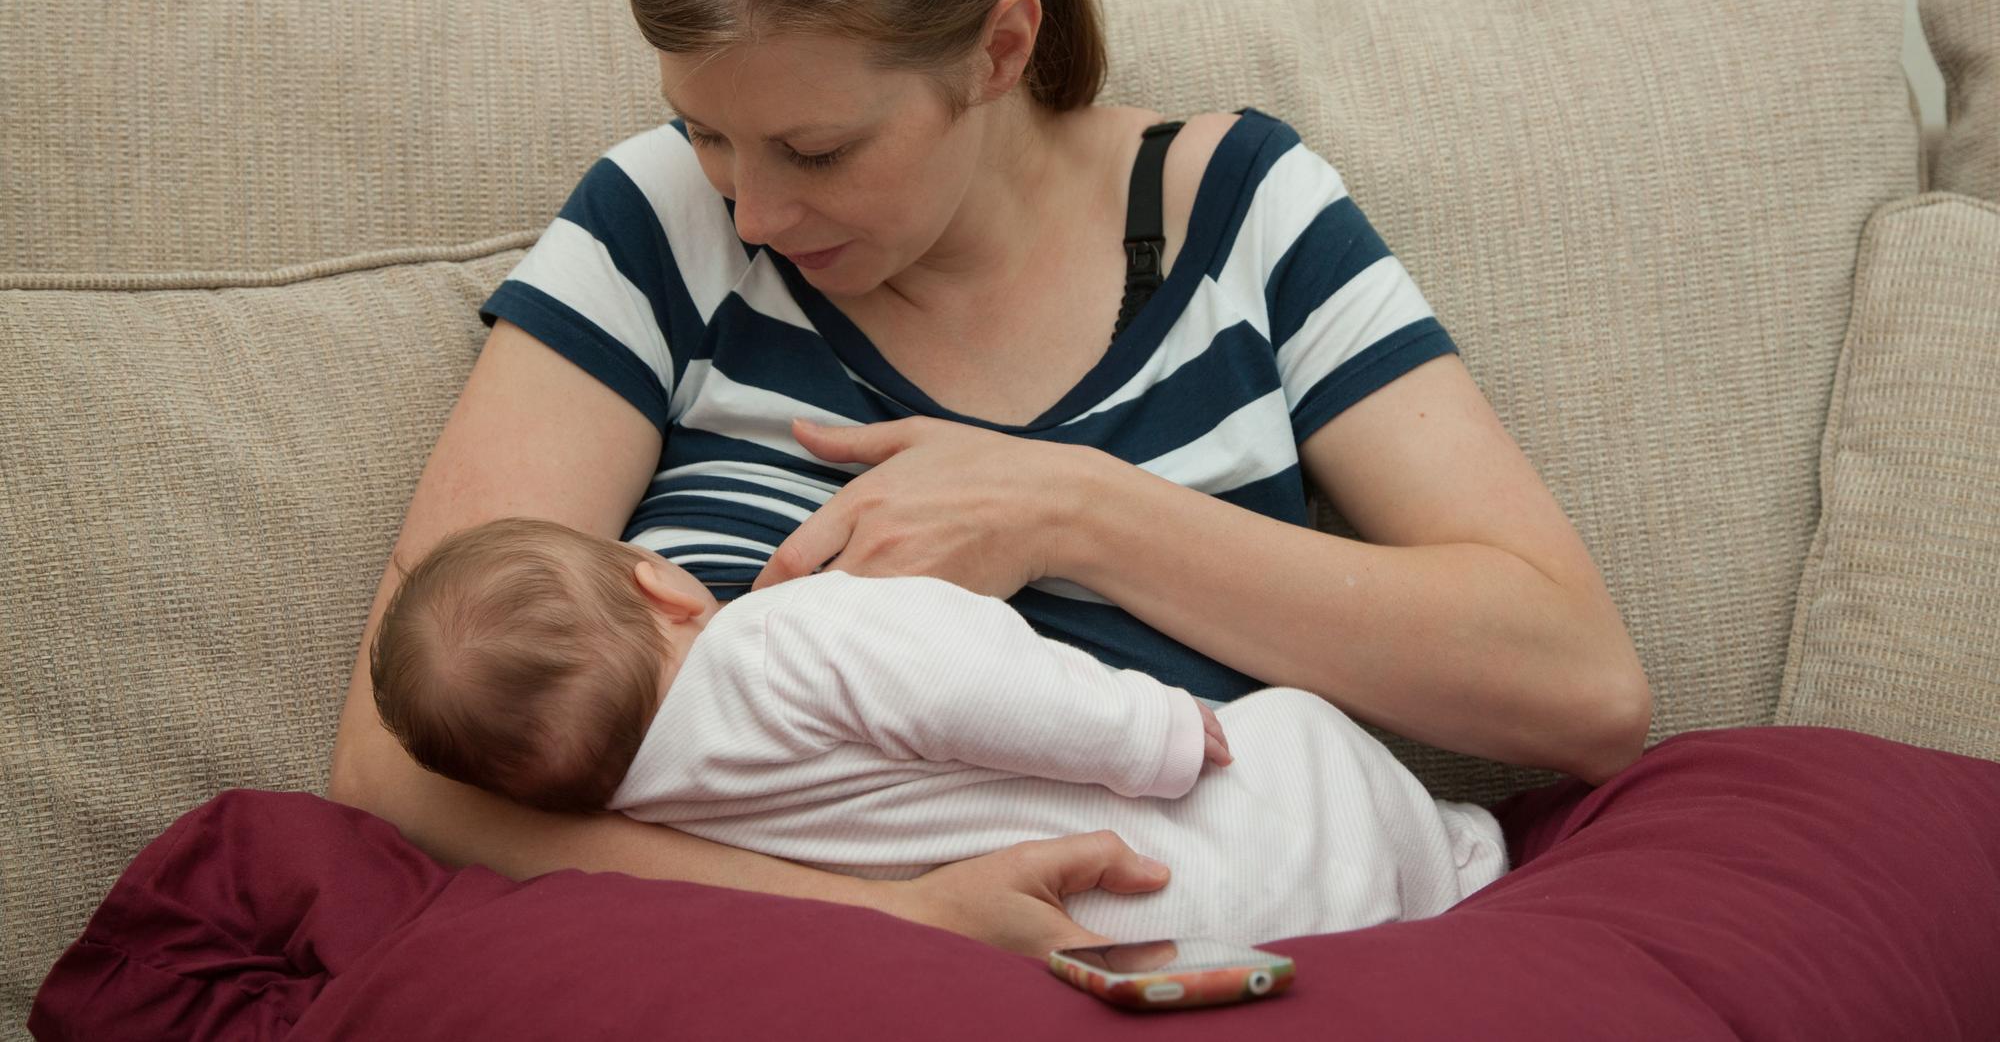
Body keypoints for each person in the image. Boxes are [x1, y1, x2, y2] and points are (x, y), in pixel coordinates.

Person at [329, 0, 1651, 959]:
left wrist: (1073, 508)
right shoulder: (655, 224)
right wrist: (893, 922)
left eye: (817, 149)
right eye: (709, 131)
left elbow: (1580, 688)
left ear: (999, 48)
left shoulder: (1243, 214)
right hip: (783, 972)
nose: (753, 213)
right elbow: (397, 763)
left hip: (1234, 928)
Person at [367, 515, 1510, 945]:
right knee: (1296, 730)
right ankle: (1450, 855)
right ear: (661, 582)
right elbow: (977, 683)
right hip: (1206, 855)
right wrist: (1148, 727)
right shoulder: (777, 640)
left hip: (1123, 937)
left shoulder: (650, 811)